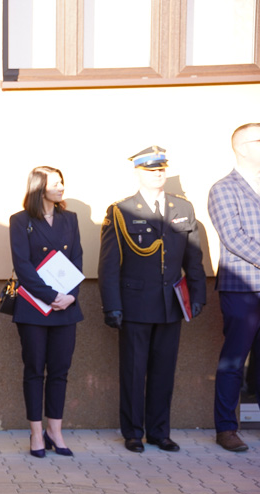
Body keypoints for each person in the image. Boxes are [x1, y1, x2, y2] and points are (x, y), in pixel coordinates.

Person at [98, 146, 206, 453]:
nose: (158, 174)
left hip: (171, 303)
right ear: (138, 173)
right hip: (134, 304)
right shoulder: (121, 210)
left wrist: (197, 295)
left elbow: (194, 256)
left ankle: (160, 431)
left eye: (161, 169)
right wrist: (112, 305)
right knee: (133, 371)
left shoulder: (182, 208)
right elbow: (108, 264)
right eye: (150, 170)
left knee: (163, 371)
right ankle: (133, 432)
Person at [207, 122, 260, 451]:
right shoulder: (224, 189)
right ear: (242, 147)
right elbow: (233, 238)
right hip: (243, 287)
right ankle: (225, 429)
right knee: (235, 359)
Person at [9, 167, 83, 458]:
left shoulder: (70, 219)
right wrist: (51, 296)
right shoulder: (20, 221)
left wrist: (70, 297)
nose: (61, 187)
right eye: (55, 183)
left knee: (60, 371)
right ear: (39, 187)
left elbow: (77, 258)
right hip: (34, 307)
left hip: (66, 307)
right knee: (34, 370)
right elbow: (22, 264)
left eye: (62, 182)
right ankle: (36, 433)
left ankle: (55, 430)